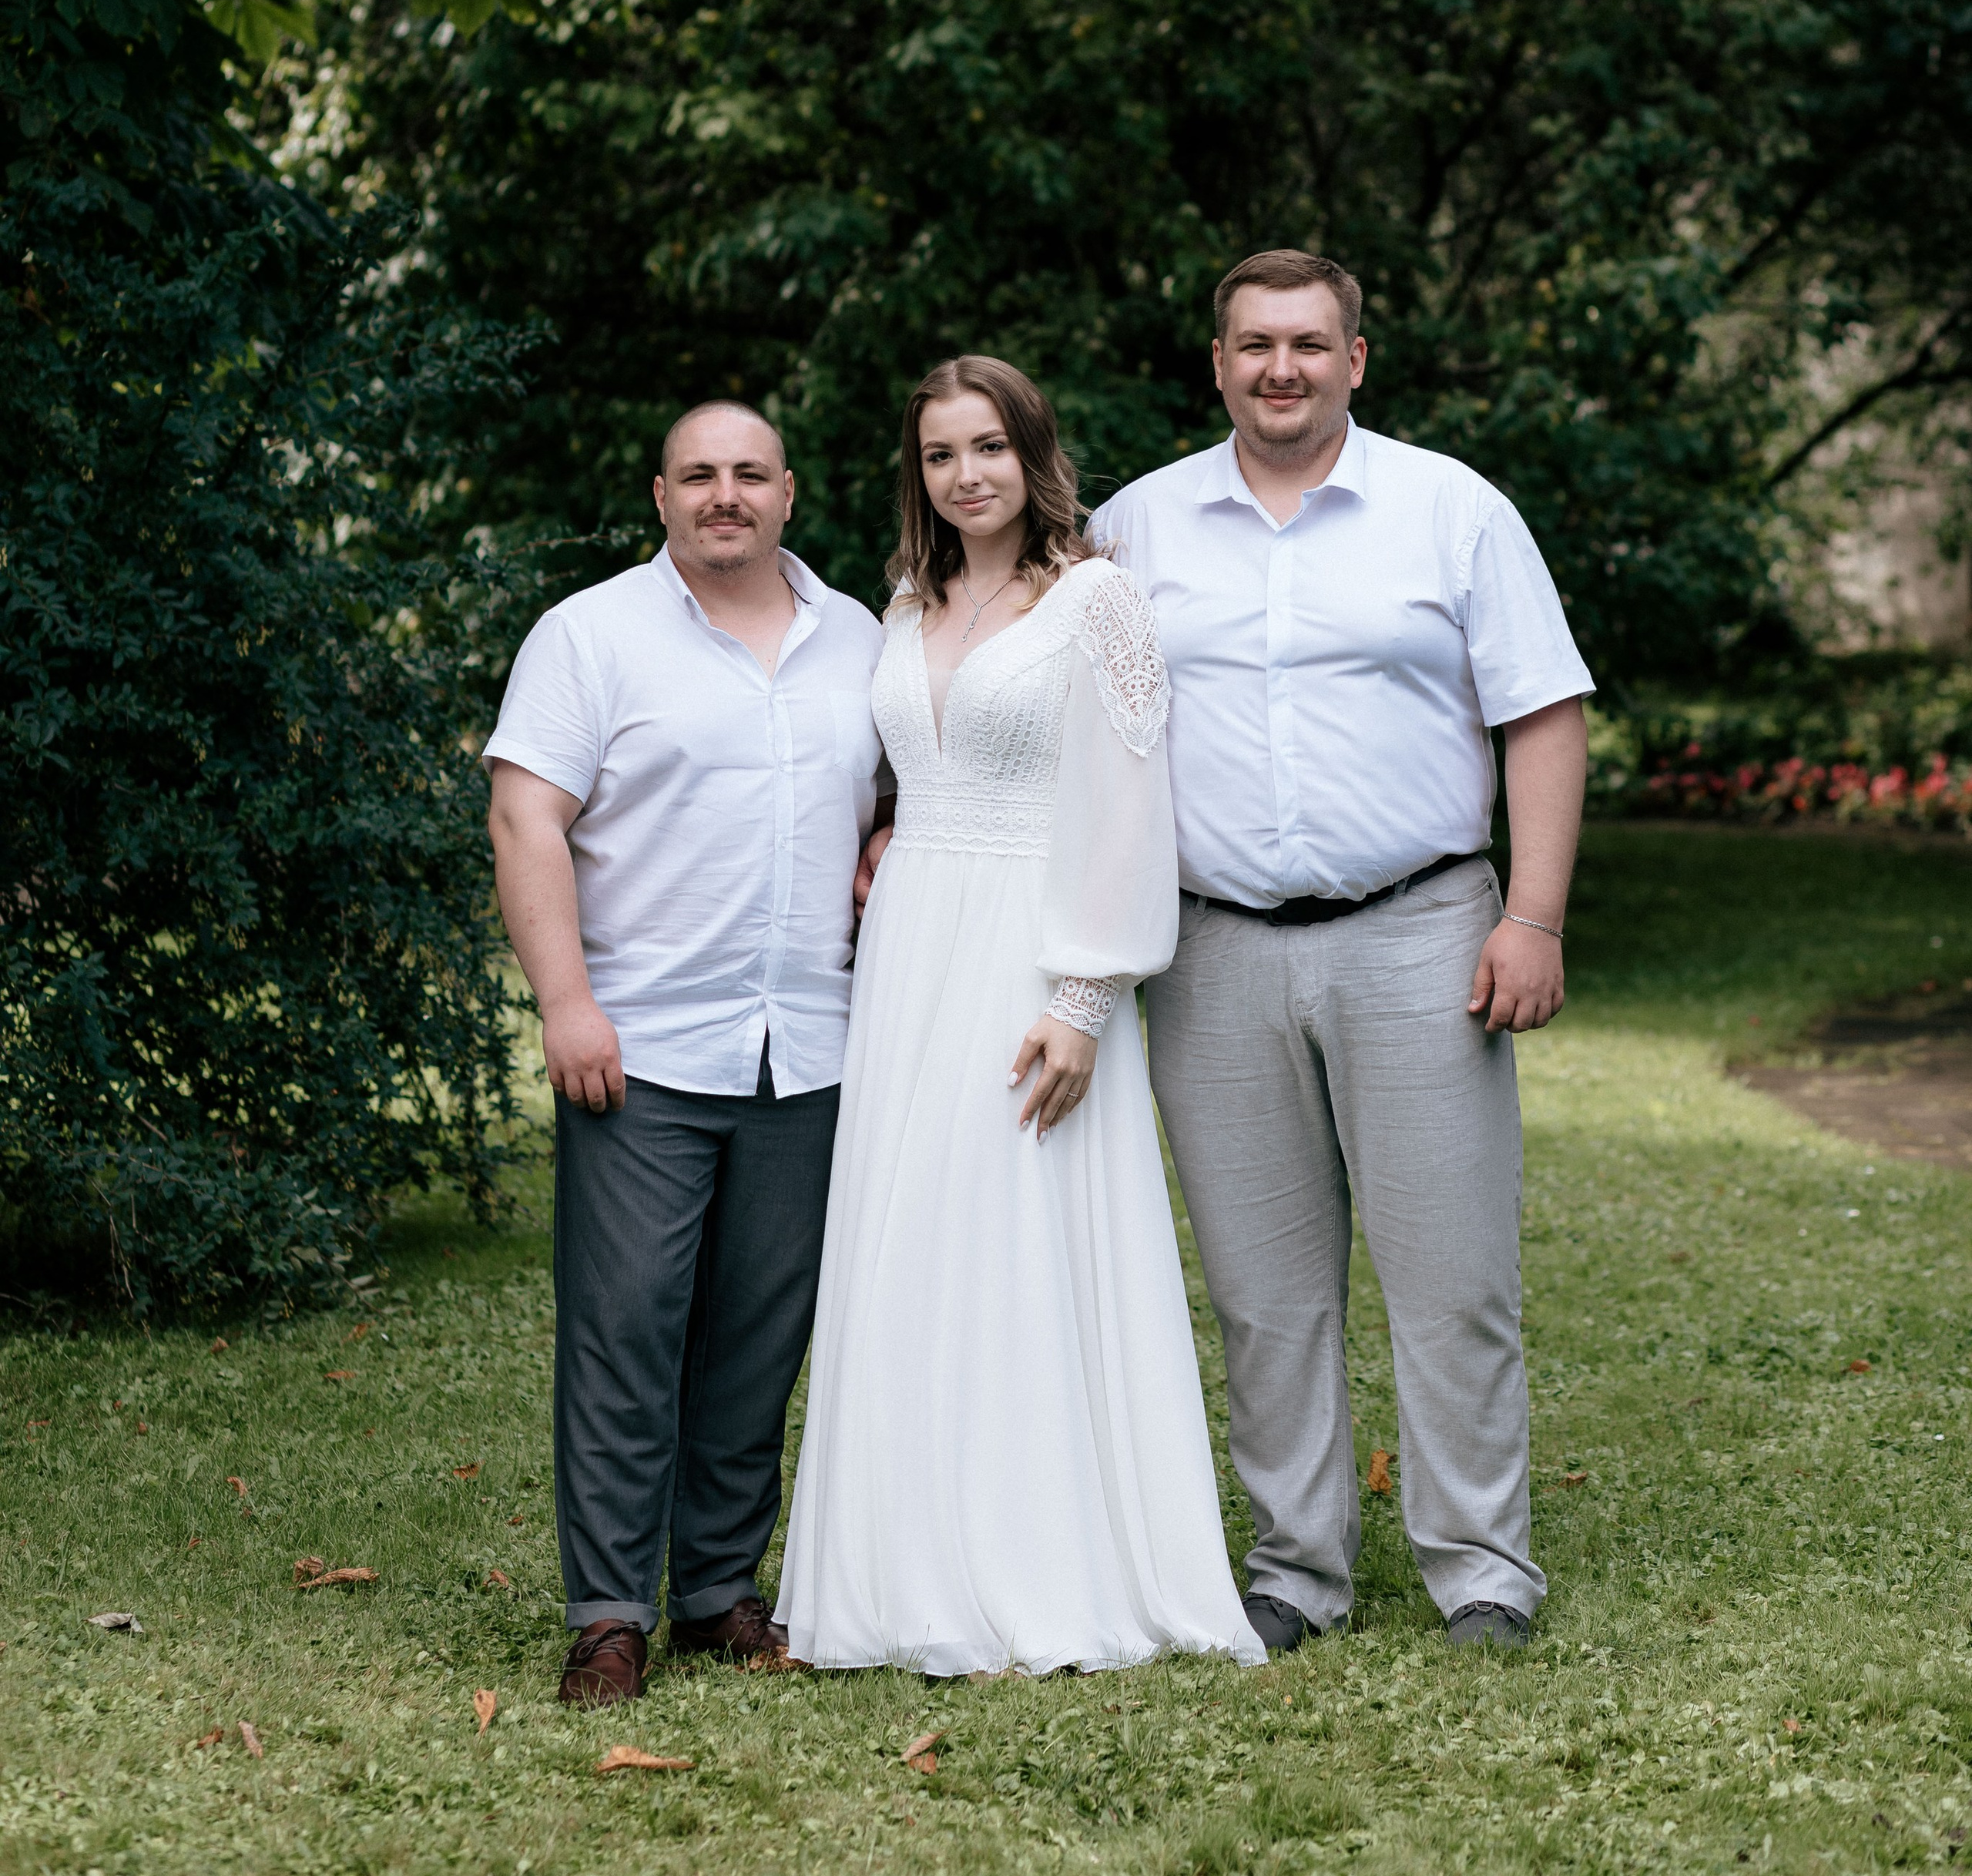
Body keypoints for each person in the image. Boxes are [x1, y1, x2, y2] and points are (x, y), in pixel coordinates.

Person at [1087, 250, 1593, 1654]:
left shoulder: (1452, 511)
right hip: (1212, 953)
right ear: (1217, 362)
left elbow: (1543, 714)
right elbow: (1044, 714)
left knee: (1453, 1280)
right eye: (1254, 344)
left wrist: (1534, 916)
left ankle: (1481, 1570)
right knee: (1265, 1293)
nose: (1282, 368)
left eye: (1309, 343)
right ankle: (1296, 1569)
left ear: (1355, 360)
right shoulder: (1134, 530)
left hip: (1422, 934)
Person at [776, 357, 1263, 1675]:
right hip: (909, 948)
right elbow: (905, 765)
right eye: (941, 455)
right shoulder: (905, 598)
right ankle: (897, 1570)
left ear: (1033, 453)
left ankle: (1044, 1561)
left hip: (1031, 949)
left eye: (988, 446)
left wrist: (1085, 996)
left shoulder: (1099, 601)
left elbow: (1130, 807)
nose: (966, 475)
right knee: (909, 1233)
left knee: (1019, 1234)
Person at [484, 404, 887, 1700]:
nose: (727, 494)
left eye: (750, 474)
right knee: (626, 1331)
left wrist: (889, 838)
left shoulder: (860, 640)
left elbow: (902, 791)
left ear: (789, 493)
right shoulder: (589, 636)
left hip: (809, 1047)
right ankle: (610, 1616)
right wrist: (566, 1002)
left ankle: (717, 1592)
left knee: (761, 1337)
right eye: (700, 475)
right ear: (660, 496)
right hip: (641, 1045)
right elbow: (525, 816)